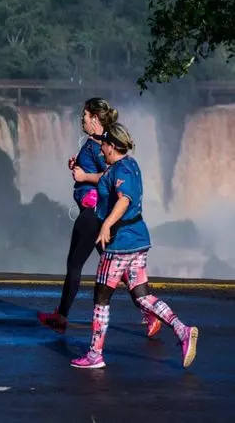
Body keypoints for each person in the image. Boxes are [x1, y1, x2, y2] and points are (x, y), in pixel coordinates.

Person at [71, 123, 198, 369]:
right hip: (138, 241)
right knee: (142, 296)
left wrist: (107, 224)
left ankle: (95, 354)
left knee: (101, 297)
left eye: (104, 145)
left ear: (112, 146)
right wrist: (82, 175)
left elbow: (124, 200)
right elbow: (106, 179)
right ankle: (182, 330)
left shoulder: (121, 171)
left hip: (120, 244)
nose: (101, 149)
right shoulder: (129, 165)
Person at [37, 98, 160, 338]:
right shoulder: (95, 144)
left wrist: (84, 177)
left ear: (94, 118)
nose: (81, 119)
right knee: (118, 268)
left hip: (93, 214)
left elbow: (110, 174)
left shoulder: (100, 146)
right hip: (97, 214)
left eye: (84, 115)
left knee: (75, 264)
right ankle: (149, 313)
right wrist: (78, 165)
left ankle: (61, 318)